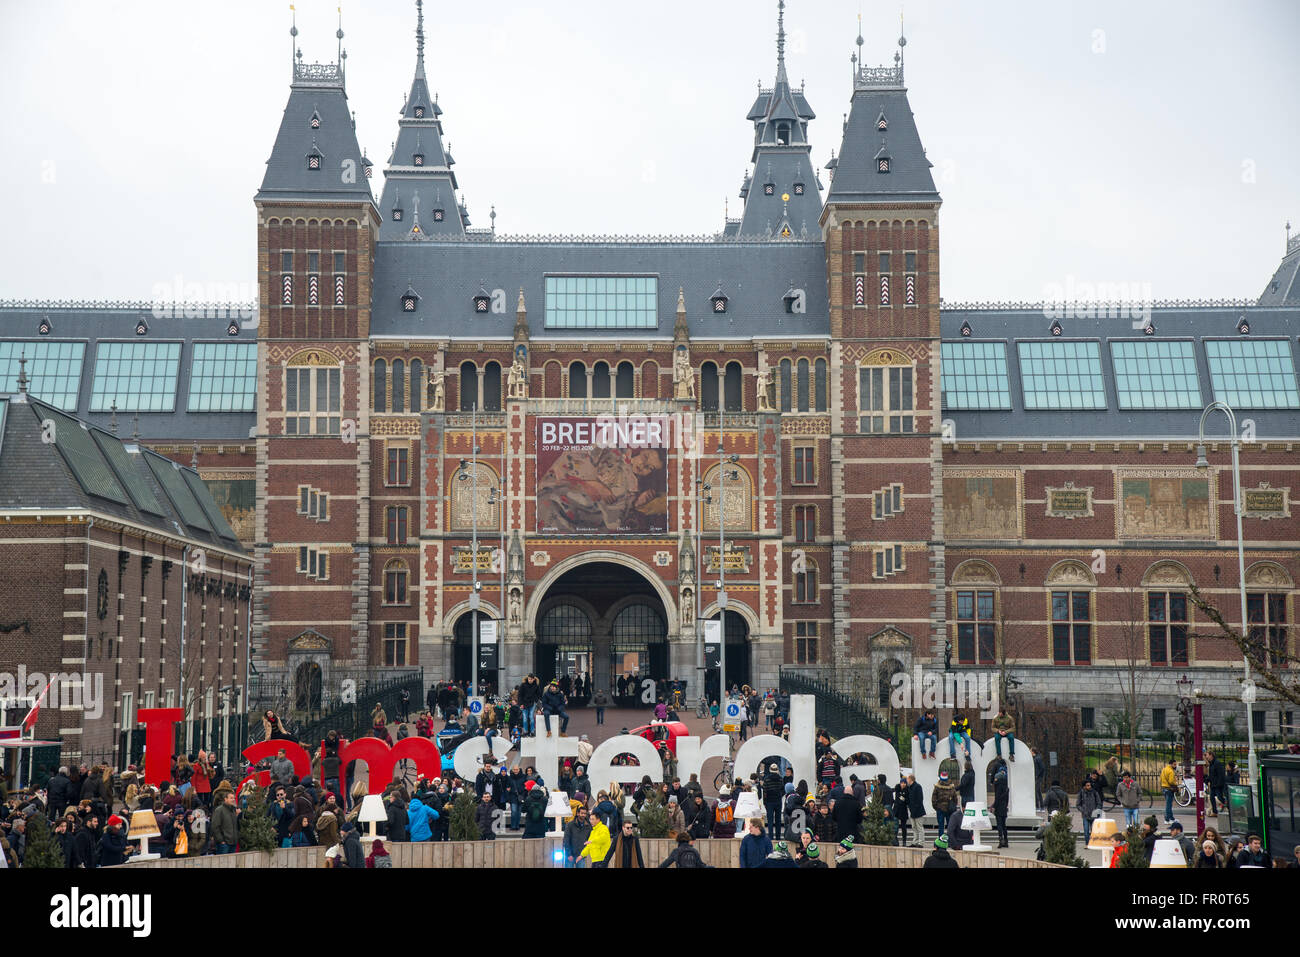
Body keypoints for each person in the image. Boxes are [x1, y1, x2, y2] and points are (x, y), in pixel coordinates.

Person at [932, 770, 958, 835]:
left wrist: (936, 807)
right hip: (949, 809)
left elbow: (933, 798)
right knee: (950, 826)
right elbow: (955, 798)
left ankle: (941, 841)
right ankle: (950, 840)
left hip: (940, 809)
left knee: (941, 826)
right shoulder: (951, 786)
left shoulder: (937, 787)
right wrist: (953, 805)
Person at [1077, 778, 1102, 842]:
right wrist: (1083, 810)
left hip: (1093, 815)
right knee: (1086, 830)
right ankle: (1087, 843)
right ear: (1084, 786)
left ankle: (1094, 842)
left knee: (1094, 830)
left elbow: (1099, 802)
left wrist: (1096, 810)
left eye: (1090, 785)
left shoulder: (1094, 792)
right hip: (1085, 815)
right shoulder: (1081, 793)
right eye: (1087, 785)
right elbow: (1078, 804)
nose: (1089, 787)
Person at [906, 773, 927, 847]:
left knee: (919, 827)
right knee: (914, 827)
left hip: (918, 811)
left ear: (910, 779)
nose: (906, 780)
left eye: (907, 779)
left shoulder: (917, 787)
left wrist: (915, 809)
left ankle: (921, 842)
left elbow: (919, 799)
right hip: (912, 810)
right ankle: (915, 842)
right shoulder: (909, 787)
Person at [992, 763, 1010, 848]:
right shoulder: (1006, 788)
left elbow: (997, 798)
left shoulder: (998, 787)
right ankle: (1006, 840)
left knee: (999, 824)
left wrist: (994, 806)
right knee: (1004, 824)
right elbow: (1006, 799)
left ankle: (1000, 840)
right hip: (1004, 807)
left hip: (999, 807)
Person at [1206, 750, 1226, 815]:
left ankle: (1229, 807)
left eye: (1207, 755)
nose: (1206, 757)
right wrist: (1207, 779)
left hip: (1217, 785)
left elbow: (1221, 774)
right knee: (1212, 798)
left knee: (1220, 797)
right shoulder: (1211, 764)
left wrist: (1219, 784)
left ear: (1211, 755)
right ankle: (1215, 812)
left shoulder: (1217, 763)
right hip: (1213, 784)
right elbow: (1211, 775)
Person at [1160, 758, 1178, 825]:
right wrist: (1175, 783)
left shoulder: (1164, 769)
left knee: (1168, 804)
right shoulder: (1171, 771)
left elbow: (1161, 778)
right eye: (1174, 764)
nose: (1175, 766)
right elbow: (1171, 781)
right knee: (1169, 805)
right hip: (1169, 789)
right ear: (1171, 764)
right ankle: (1168, 819)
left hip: (1164, 787)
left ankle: (1171, 818)